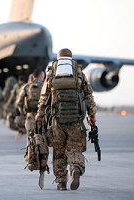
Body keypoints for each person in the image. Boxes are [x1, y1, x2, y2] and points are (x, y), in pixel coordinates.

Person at [35, 48, 97, 191]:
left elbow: (44, 98)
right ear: (71, 58)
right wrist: (92, 116)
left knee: (58, 151)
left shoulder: (51, 74)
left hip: (56, 121)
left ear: (58, 59)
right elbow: (89, 97)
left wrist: (40, 115)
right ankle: (75, 168)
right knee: (74, 148)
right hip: (75, 121)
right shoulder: (78, 73)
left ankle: (61, 182)